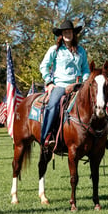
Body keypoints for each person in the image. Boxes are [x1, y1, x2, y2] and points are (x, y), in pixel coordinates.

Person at [39, 20, 90, 149]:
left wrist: (83, 82)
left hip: (78, 86)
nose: (68, 34)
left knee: (95, 102)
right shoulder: (55, 50)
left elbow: (86, 69)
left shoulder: (81, 51)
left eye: (70, 31)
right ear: (61, 35)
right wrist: (49, 82)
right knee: (53, 105)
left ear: (73, 33)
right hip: (60, 85)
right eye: (65, 32)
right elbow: (44, 66)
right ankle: (47, 135)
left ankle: (101, 135)